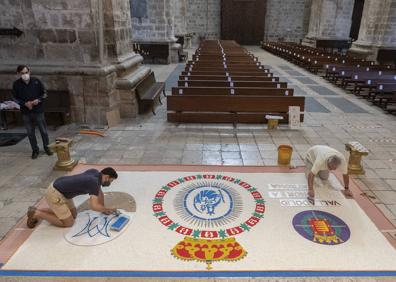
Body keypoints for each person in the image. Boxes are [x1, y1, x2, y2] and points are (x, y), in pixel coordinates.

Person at [26, 167, 119, 228]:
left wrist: (103, 209)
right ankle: (37, 213)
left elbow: (99, 193)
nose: (110, 183)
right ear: (106, 177)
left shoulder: (95, 173)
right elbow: (94, 206)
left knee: (73, 215)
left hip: (63, 189)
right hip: (55, 193)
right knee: (68, 223)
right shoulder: (93, 182)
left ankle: (37, 209)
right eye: (111, 180)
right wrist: (107, 208)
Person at [12, 65, 52, 159]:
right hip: (26, 112)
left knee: (43, 131)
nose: (25, 75)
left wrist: (38, 100)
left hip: (38, 110)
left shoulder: (36, 81)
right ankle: (35, 150)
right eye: (22, 73)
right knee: (30, 132)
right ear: (18, 74)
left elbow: (45, 93)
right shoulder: (16, 84)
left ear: (29, 72)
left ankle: (47, 147)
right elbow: (14, 98)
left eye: (26, 72)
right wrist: (24, 103)